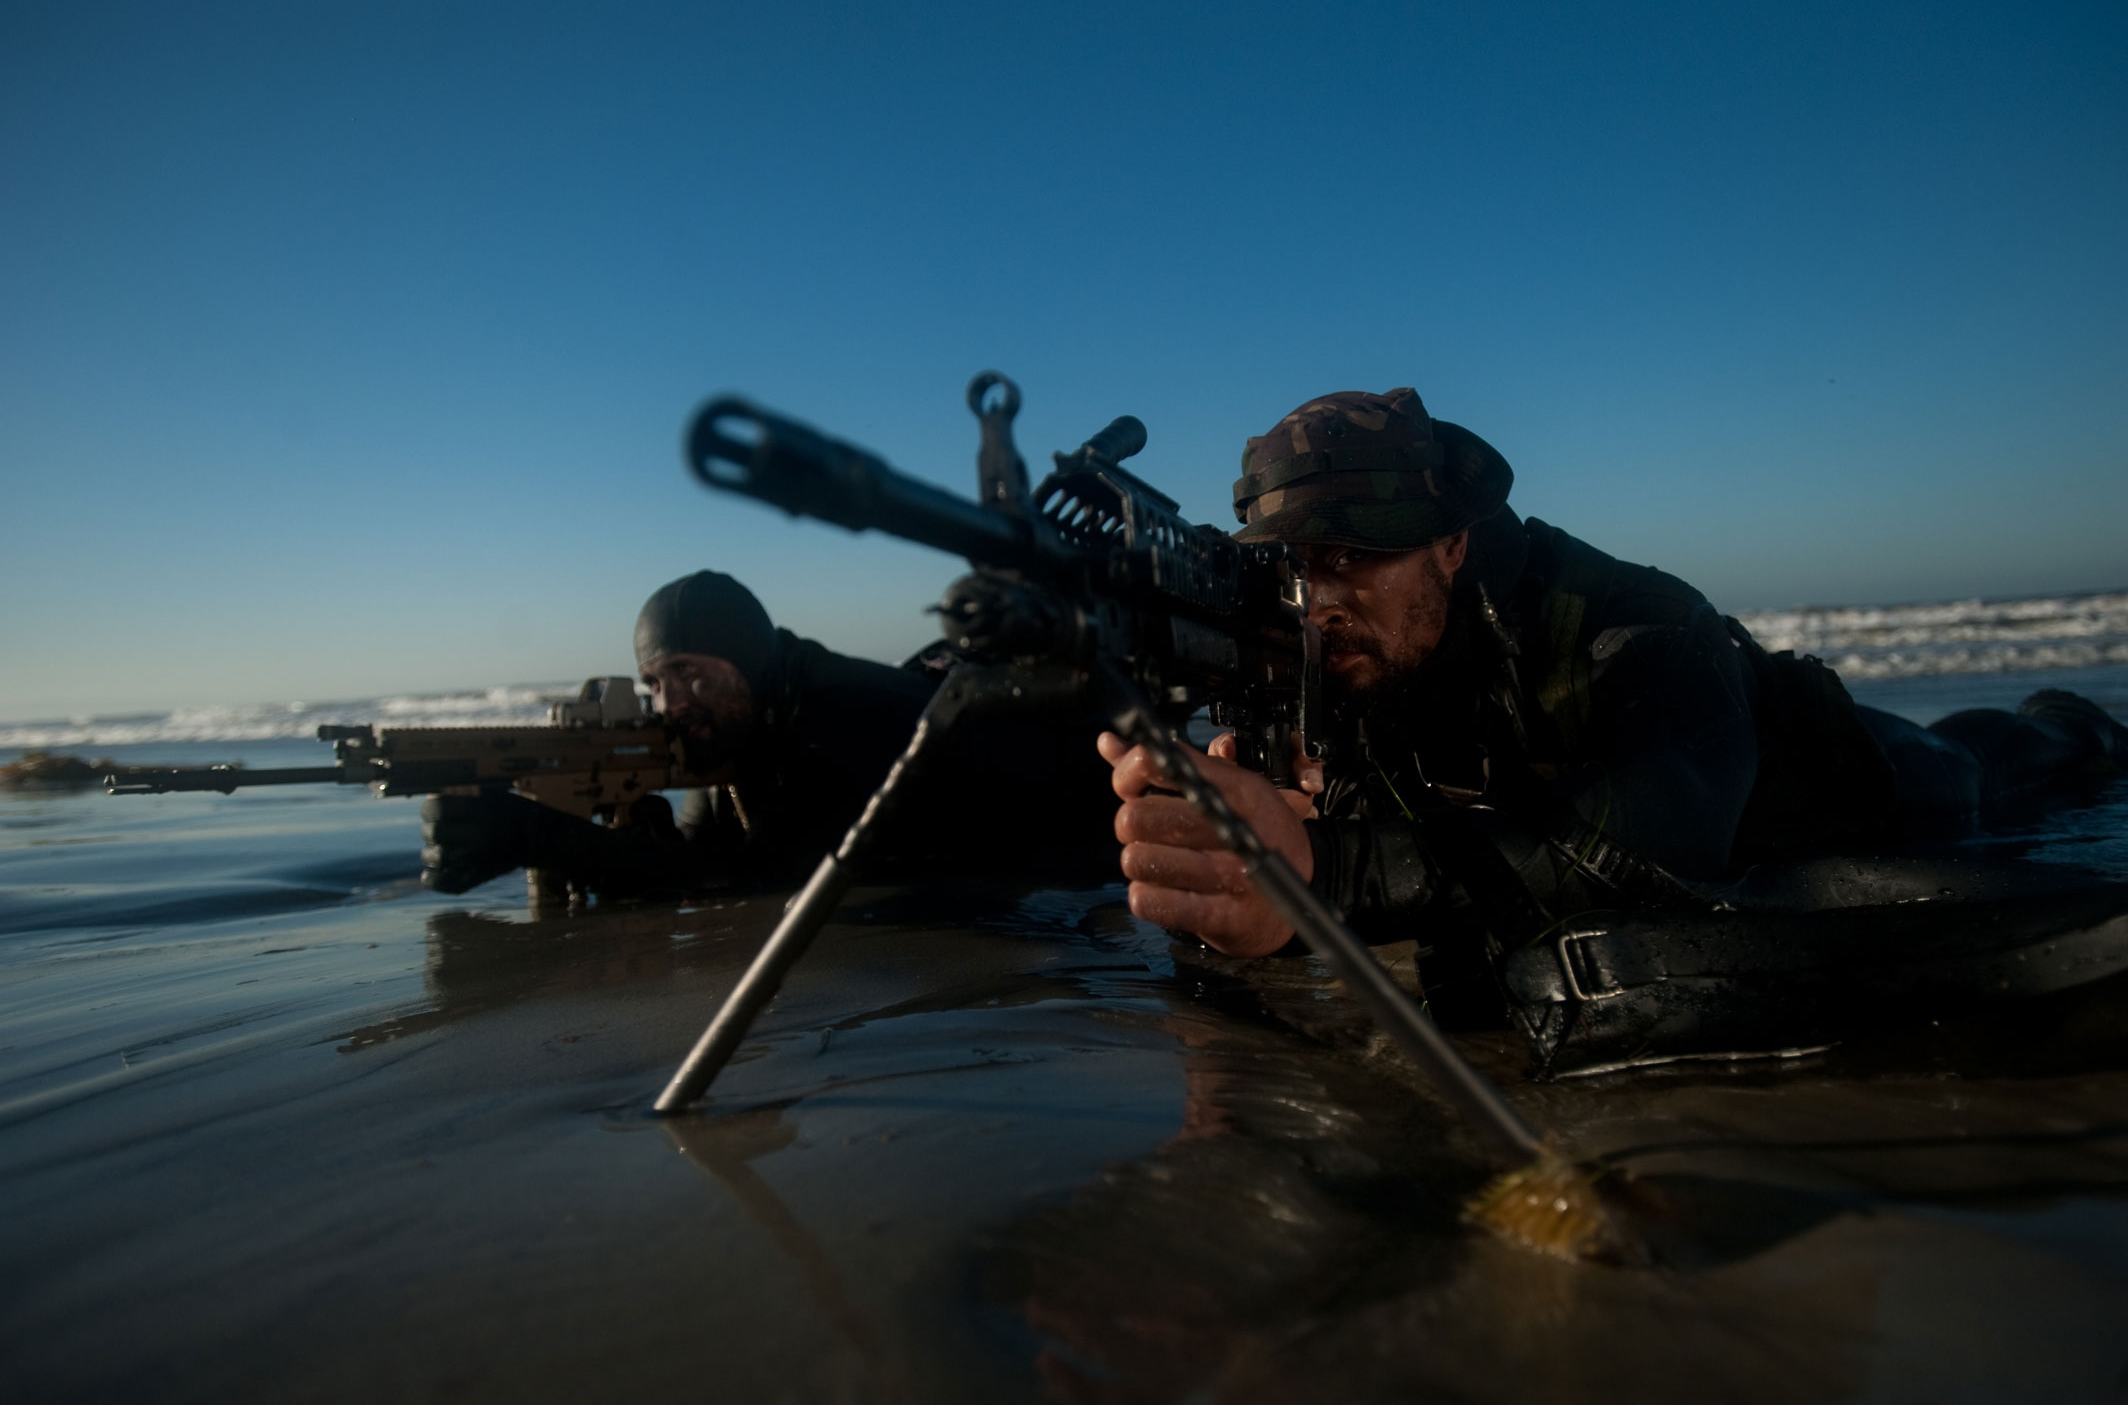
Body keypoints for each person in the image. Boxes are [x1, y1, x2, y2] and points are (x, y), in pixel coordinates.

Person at [1102, 388, 2128, 988]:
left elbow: (1673, 833)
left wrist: (1331, 869)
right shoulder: (1329, 646)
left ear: (1451, 543)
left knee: (2017, 755)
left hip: (1839, 784)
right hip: (1556, 818)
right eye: (1293, 570)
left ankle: (2079, 714)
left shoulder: (1622, 614)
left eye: (1353, 561)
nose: (1317, 600)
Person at [423, 569, 1112, 896]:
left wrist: (543, 839)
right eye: (656, 683)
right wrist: (622, 844)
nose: (672, 703)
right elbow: (701, 856)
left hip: (1089, 829)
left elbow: (765, 886)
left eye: (689, 674)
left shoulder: (836, 714)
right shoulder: (746, 723)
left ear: (743, 659)